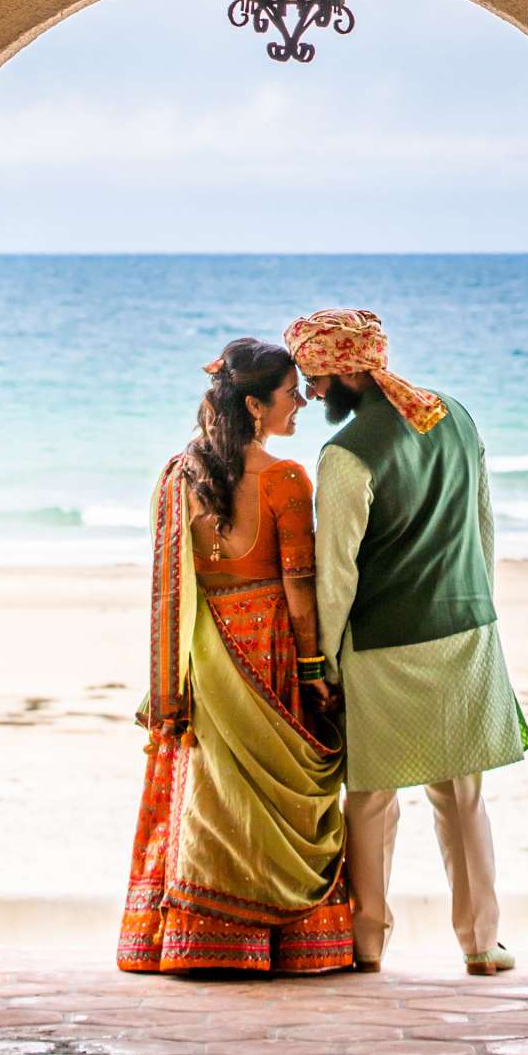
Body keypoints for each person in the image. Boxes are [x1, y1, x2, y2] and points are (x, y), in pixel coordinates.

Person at [284, 307, 528, 977]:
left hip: (384, 645)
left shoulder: (345, 454)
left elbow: (337, 574)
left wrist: (321, 660)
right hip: (468, 627)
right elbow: (484, 527)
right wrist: (480, 605)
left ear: (338, 373)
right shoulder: (455, 413)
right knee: (464, 795)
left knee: (369, 798)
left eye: (312, 379)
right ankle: (482, 944)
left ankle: (366, 945)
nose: (309, 394)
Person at [117, 336, 354, 974]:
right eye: (288, 393)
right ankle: (283, 941)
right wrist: (312, 670)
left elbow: (172, 578)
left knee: (212, 789)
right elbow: (300, 588)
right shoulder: (285, 480)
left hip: (204, 649)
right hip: (267, 648)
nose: (302, 400)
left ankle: (201, 935)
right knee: (271, 800)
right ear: (254, 405)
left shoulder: (180, 473)